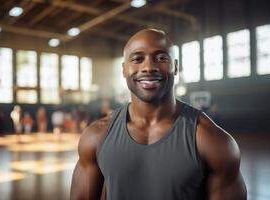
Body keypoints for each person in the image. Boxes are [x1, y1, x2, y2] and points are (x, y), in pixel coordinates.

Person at [70, 29, 247, 200]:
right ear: (124, 69)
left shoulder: (212, 140)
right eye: (137, 59)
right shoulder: (96, 136)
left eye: (161, 58)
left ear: (175, 67)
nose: (148, 67)